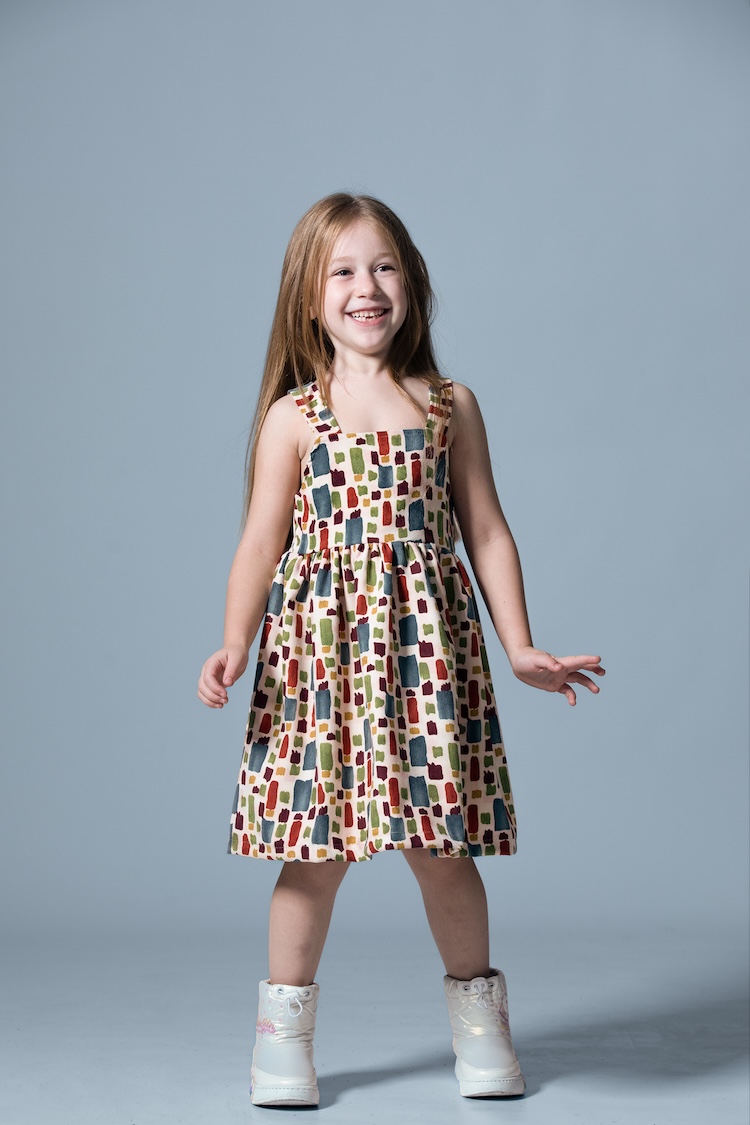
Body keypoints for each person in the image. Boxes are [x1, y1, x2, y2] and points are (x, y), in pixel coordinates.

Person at [197, 192, 604, 1107]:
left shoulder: (450, 406)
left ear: (411, 284)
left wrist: (520, 645)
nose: (366, 287)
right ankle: (282, 1042)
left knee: (441, 847)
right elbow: (259, 543)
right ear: (309, 297)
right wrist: (233, 640)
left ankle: (481, 1029)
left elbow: (487, 531)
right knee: (314, 853)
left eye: (383, 267)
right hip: (320, 664)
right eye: (342, 271)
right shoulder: (295, 416)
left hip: (427, 664)